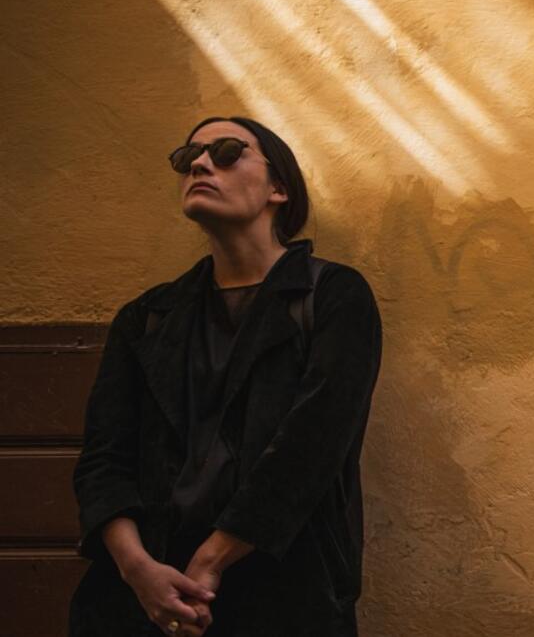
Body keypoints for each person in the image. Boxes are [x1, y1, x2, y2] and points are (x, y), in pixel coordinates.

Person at [70, 116, 383, 636]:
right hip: (135, 601)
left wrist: (211, 562)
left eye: (227, 151)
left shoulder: (332, 297)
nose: (197, 163)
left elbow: (311, 451)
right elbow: (104, 459)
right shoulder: (146, 317)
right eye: (187, 156)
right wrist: (136, 569)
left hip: (280, 595)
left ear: (279, 188)